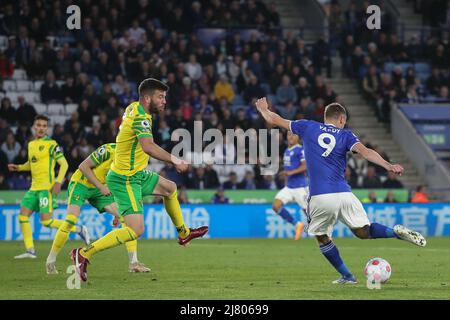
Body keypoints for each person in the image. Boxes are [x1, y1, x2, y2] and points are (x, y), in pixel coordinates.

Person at [255, 98, 426, 284]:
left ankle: (348, 276)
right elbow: (366, 152)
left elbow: (274, 119)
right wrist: (388, 165)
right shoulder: (346, 135)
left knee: (321, 237)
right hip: (345, 194)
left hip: (320, 196)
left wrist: (264, 109)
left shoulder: (307, 126)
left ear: (325, 117)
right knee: (364, 232)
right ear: (342, 119)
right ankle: (395, 233)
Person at [71, 78, 208, 282]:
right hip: (125, 178)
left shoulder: (134, 108)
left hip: (136, 173)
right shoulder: (141, 117)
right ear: (147, 98)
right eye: (160, 97)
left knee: (170, 188)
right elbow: (148, 146)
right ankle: (84, 253)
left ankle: (184, 233)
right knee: (136, 230)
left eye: (164, 97)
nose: (164, 101)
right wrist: (174, 160)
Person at [46, 143, 150, 274]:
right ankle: (51, 260)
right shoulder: (108, 149)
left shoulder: (131, 161)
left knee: (126, 217)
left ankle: (133, 263)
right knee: (70, 220)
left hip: (100, 189)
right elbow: (83, 167)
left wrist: (117, 213)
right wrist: (101, 187)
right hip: (81, 183)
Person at [8, 115, 88, 259]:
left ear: (47, 128)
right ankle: (30, 250)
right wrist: (19, 167)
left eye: (44, 126)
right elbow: (32, 164)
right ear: (34, 126)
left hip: (46, 189)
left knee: (46, 221)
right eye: (38, 125)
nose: (41, 128)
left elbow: (64, 164)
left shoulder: (52, 144)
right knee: (22, 216)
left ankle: (78, 229)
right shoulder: (31, 144)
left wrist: (58, 182)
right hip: (33, 189)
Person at [272, 131, 308, 240]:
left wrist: (290, 173)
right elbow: (288, 170)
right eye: (288, 134)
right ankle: (297, 224)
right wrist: (286, 180)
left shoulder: (301, 150)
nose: (290, 137)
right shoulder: (287, 151)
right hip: (289, 187)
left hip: (301, 187)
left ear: (298, 137)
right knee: (276, 206)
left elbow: (305, 167)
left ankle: (325, 233)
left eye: (293, 135)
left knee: (309, 213)